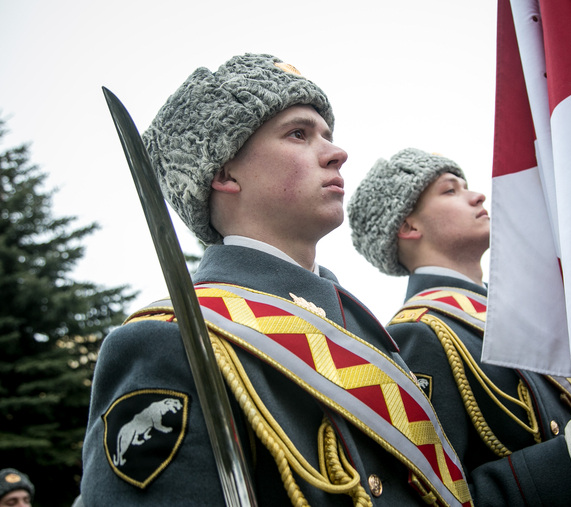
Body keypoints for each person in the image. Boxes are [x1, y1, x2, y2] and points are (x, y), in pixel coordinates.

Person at [80, 55, 472, 506]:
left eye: (328, 135)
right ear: (225, 172)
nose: (337, 152)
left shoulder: (361, 328)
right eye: (299, 134)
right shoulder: (173, 339)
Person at [348, 148, 571, 506]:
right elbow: (436, 497)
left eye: (466, 186)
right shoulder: (418, 334)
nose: (477, 195)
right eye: (450, 190)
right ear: (409, 226)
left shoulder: (521, 314)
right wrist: (568, 462)